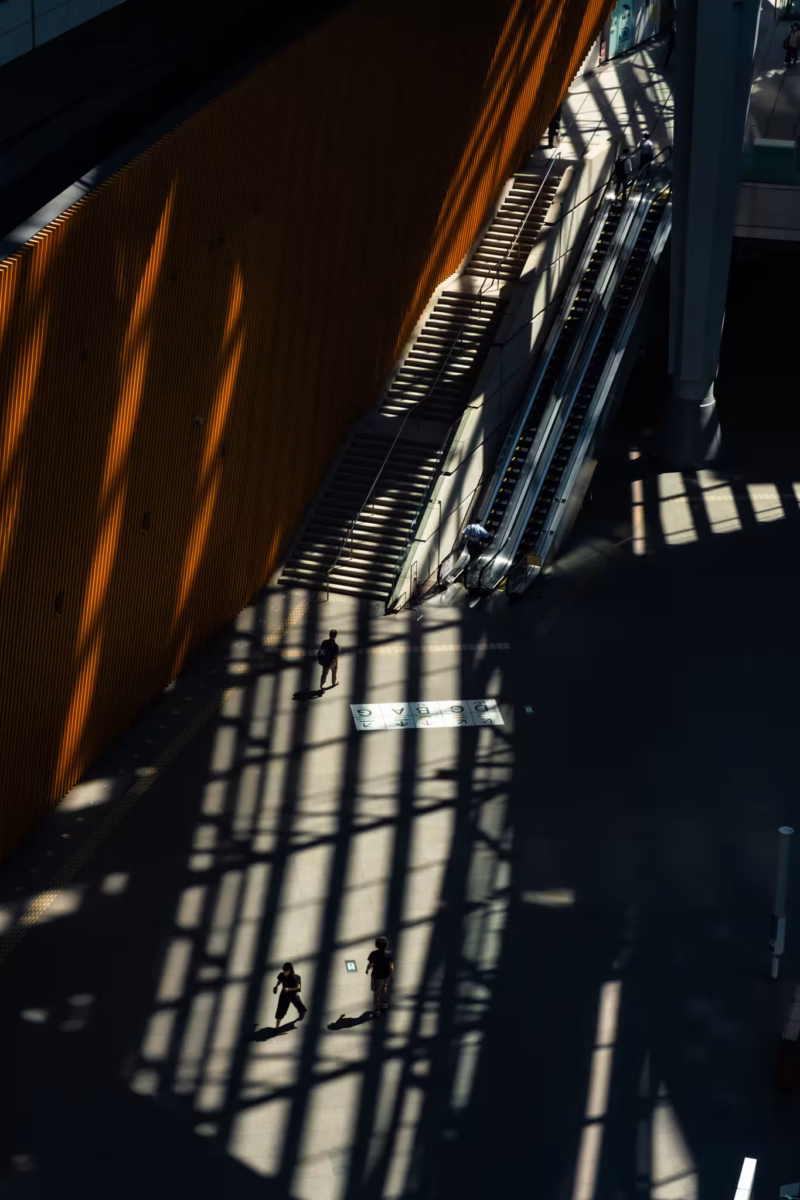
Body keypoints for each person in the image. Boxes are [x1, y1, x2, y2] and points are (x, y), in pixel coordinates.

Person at [273, 962, 306, 1027]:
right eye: (284, 970)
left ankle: (302, 1013)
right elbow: (280, 980)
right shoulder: (281, 975)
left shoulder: (295, 978)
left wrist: (289, 989)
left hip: (293, 994)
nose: (284, 972)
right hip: (284, 994)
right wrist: (276, 986)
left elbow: (298, 988)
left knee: (299, 1005)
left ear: (290, 970)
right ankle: (276, 1027)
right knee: (280, 1009)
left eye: (286, 971)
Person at [366, 936, 394, 1012]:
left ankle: (377, 1009)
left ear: (376, 945)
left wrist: (367, 970)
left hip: (375, 975)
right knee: (384, 987)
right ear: (386, 944)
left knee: (376, 992)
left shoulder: (373, 954)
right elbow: (391, 966)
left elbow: (370, 963)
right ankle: (384, 1003)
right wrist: (391, 976)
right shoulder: (389, 954)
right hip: (385, 975)